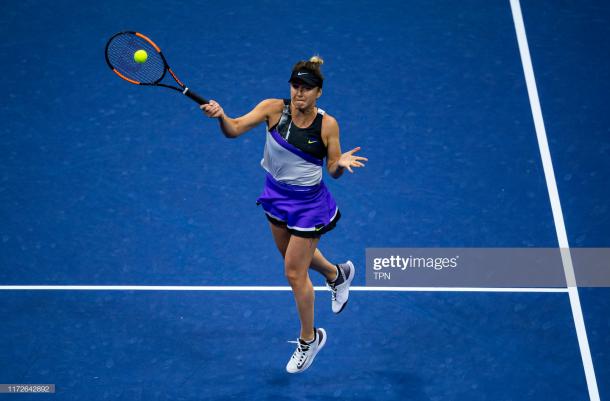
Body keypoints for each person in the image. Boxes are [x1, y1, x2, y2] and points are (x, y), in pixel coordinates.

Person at [201, 56, 367, 373]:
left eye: (306, 88)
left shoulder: (327, 125)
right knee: (292, 258)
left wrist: (340, 164)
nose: (299, 93)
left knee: (293, 272)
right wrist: (221, 116)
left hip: (308, 204)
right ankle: (337, 274)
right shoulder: (273, 109)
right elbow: (233, 130)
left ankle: (310, 338)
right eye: (295, 86)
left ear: (319, 92)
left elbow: (332, 169)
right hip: (276, 195)